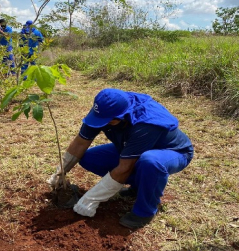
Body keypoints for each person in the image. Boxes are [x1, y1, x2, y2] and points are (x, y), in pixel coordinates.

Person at [48, 88, 194, 229]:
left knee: (150, 162)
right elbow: (80, 143)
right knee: (89, 158)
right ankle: (141, 185)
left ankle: (144, 212)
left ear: (121, 116)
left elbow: (125, 168)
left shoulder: (145, 123)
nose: (103, 124)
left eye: (108, 121)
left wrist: (91, 198)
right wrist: (60, 171)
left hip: (172, 152)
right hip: (131, 147)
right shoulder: (104, 111)